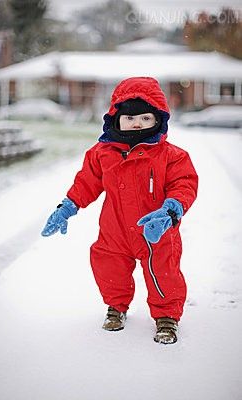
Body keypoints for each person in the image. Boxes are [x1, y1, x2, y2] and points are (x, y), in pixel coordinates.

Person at [41, 77, 198, 345]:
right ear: (116, 119)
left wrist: (171, 211)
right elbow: (86, 182)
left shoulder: (172, 156)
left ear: (158, 119)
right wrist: (68, 206)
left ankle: (167, 317)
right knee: (107, 266)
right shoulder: (102, 153)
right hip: (115, 229)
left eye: (145, 118)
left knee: (164, 272)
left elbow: (184, 184)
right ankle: (117, 306)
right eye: (129, 117)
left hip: (156, 230)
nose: (136, 123)